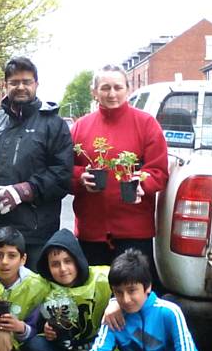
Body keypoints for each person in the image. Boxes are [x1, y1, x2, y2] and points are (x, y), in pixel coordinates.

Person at [71, 64, 168, 285]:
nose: (112, 94)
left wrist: (142, 183)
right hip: (91, 233)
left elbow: (159, 171)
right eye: (105, 88)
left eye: (118, 87)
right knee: (94, 295)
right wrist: (79, 177)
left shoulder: (146, 124)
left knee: (133, 296)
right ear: (94, 91)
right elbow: (64, 170)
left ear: (128, 89)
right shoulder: (80, 127)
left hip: (134, 233)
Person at [0, 56, 73, 271]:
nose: (21, 87)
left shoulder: (53, 124)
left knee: (33, 296)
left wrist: (23, 191)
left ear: (36, 84)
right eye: (14, 82)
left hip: (36, 232)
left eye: (27, 82)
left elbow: (62, 176)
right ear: (5, 85)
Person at [21, 228, 110, 351]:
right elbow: (29, 318)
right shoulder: (42, 285)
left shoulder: (100, 279)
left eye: (68, 261)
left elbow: (130, 287)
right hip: (59, 348)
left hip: (91, 350)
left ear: (78, 259)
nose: (62, 269)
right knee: (35, 345)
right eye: (55, 264)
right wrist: (44, 327)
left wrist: (115, 304)